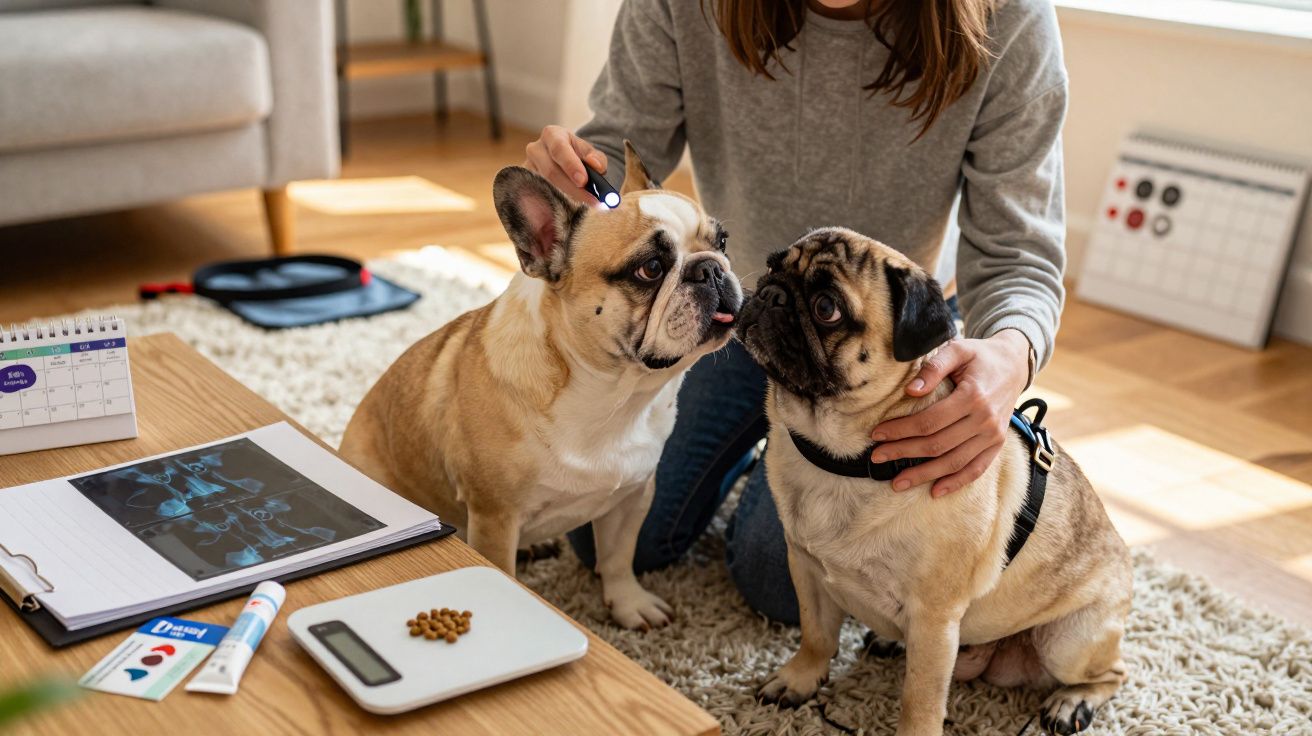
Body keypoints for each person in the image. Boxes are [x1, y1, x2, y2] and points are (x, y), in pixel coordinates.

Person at [526, 0, 1066, 625]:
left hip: (881, 347)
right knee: (608, 533)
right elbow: (619, 162)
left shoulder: (1011, 18)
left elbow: (1019, 252)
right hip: (739, 307)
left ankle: (769, 455)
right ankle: (759, 449)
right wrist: (579, 186)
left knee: (779, 580)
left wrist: (1011, 354)